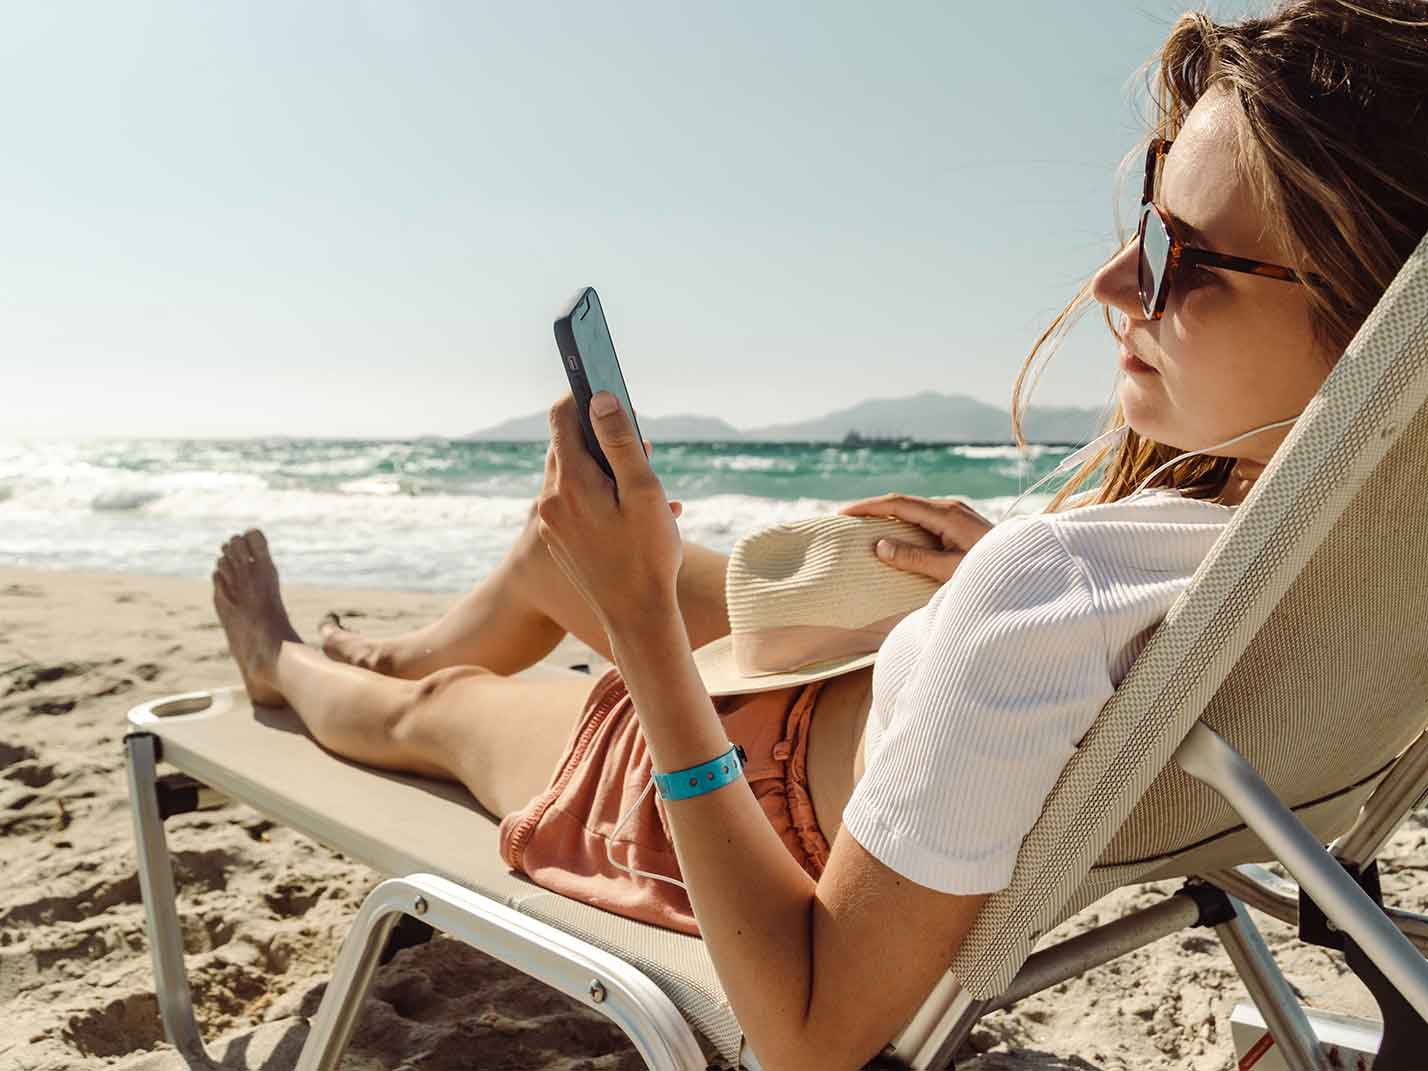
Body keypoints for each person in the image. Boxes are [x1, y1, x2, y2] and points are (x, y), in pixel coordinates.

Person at [210, 3, 1428, 1067]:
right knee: (557, 560)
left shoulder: (1053, 588)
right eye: (1143, 225)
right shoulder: (1352, 545)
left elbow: (808, 1037)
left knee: (446, 717)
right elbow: (1131, 641)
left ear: (1367, 316)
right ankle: (417, 638)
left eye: (1180, 259)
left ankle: (287, 666)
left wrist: (637, 620)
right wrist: (1002, 599)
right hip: (856, 724)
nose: (1115, 281)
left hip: (747, 823)